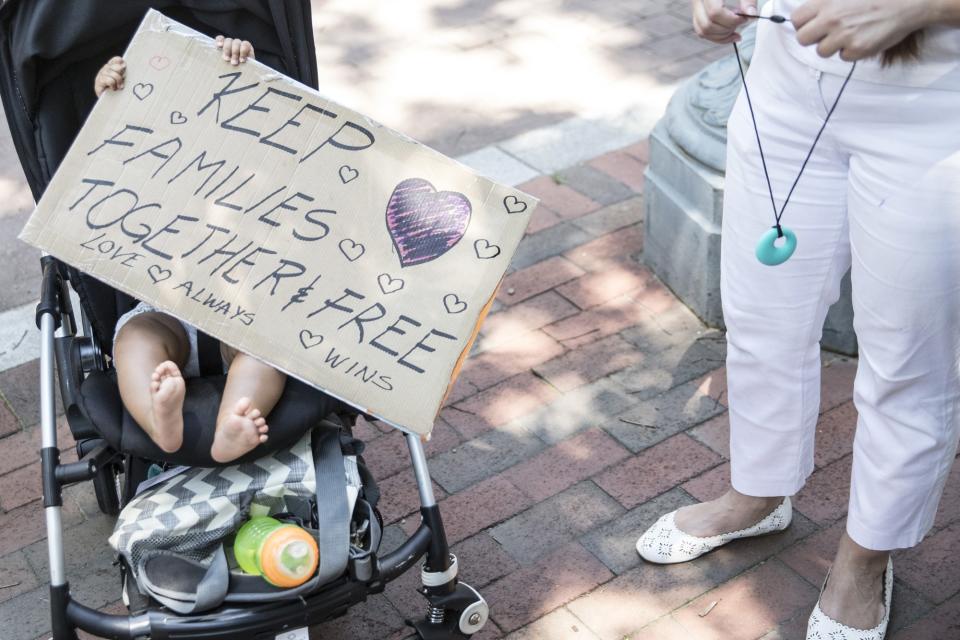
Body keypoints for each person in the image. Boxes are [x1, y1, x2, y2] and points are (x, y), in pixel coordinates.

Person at [635, 1, 960, 638]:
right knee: (761, 319)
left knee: (906, 362)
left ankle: (866, 556)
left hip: (934, 108)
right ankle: (758, 493)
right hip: (783, 86)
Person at [97, 36, 288, 464]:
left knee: (268, 352)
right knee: (135, 338)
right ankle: (159, 415)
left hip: (245, 307)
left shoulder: (251, 155)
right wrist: (110, 101)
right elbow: (103, 165)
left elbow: (286, 150)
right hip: (167, 307)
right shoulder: (145, 157)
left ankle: (230, 427)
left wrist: (249, 74)